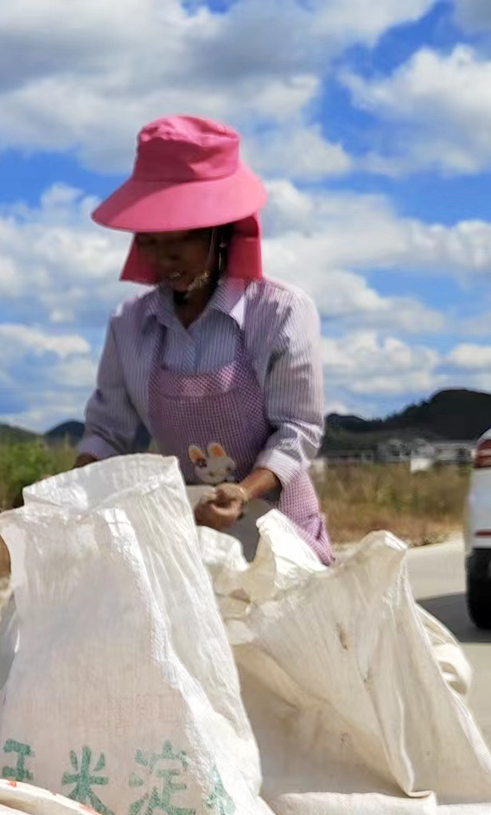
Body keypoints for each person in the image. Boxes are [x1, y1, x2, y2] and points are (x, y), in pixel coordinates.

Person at [76, 114, 334, 564]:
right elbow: (109, 432)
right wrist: (64, 494)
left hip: (279, 534)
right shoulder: (130, 324)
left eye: (180, 244)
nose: (165, 260)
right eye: (153, 245)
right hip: (190, 535)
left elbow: (298, 430)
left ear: (221, 234)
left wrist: (243, 490)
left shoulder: (280, 312)